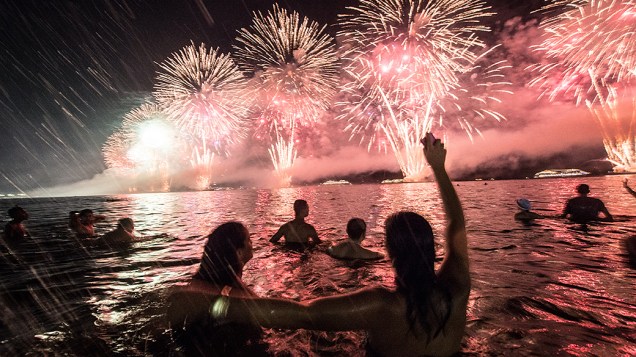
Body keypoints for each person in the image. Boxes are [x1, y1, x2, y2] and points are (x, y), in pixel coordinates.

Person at [168, 132, 470, 356]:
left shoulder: (381, 305)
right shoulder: (457, 290)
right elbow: (457, 225)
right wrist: (439, 168)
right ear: (431, 247)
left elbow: (303, 313)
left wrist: (215, 302)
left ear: (391, 253)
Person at [167, 222, 266, 356]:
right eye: (248, 239)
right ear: (239, 252)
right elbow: (263, 317)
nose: (252, 242)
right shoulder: (239, 293)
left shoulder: (198, 283)